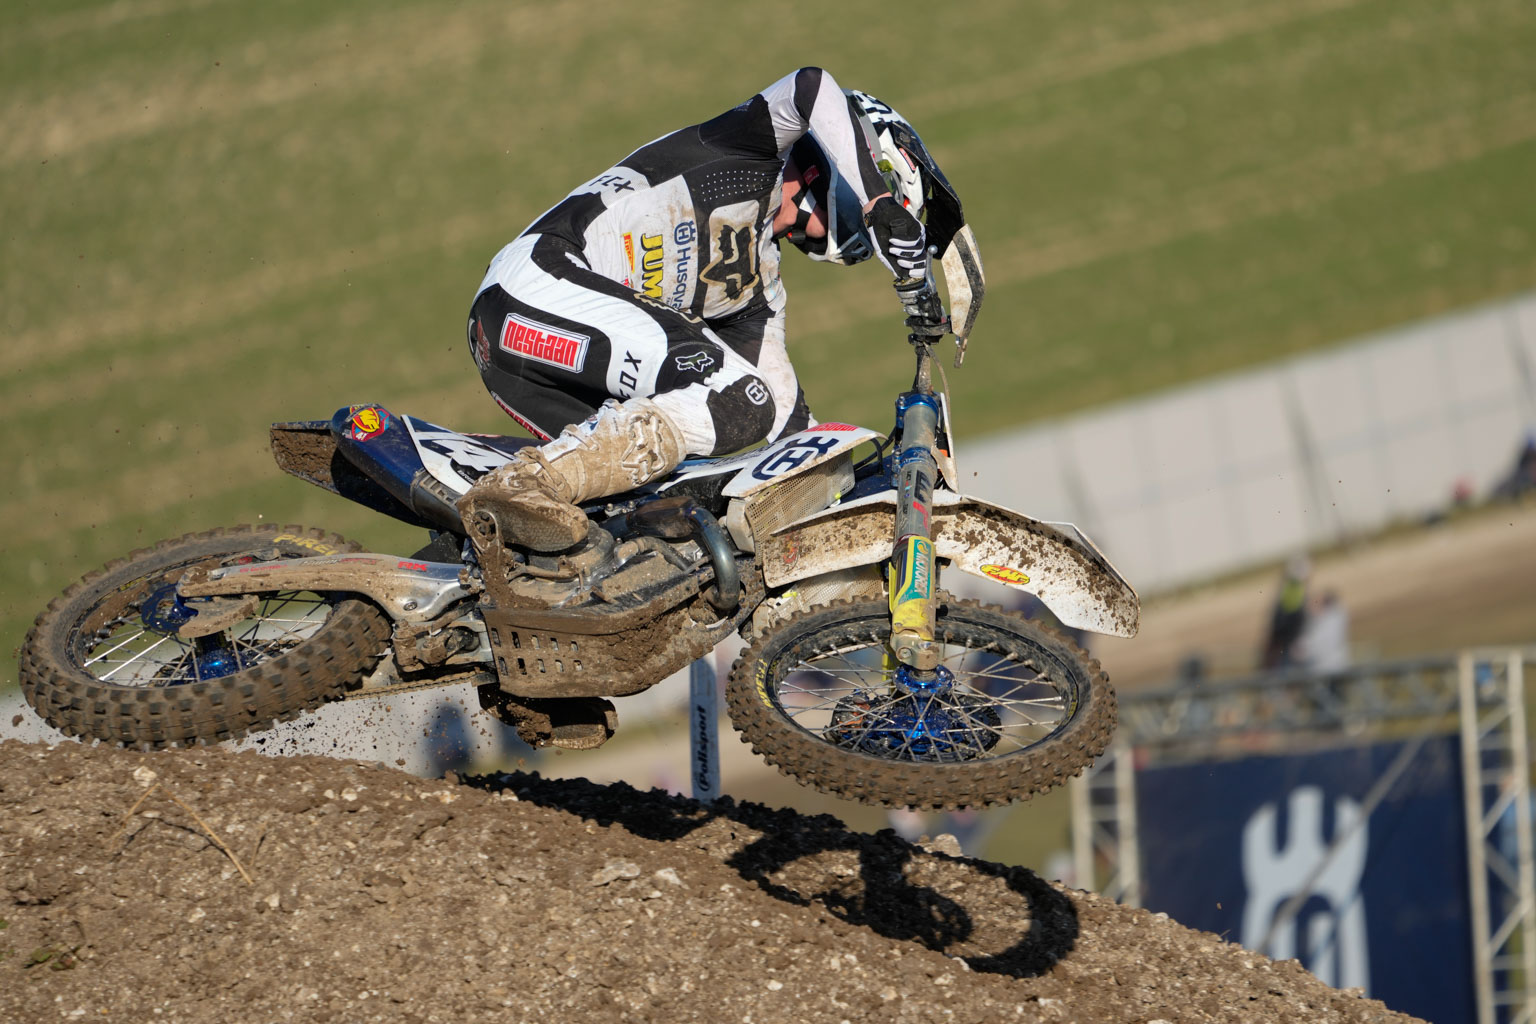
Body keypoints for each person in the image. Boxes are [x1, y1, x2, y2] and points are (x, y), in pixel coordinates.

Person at [456, 67, 966, 554]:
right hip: (532, 286)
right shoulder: (749, 150)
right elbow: (810, 86)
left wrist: (861, 499)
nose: (859, 241)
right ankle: (526, 483)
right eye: (863, 217)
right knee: (739, 399)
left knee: (649, 512)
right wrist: (879, 204)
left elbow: (790, 434)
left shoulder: (759, 293)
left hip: (532, 365)